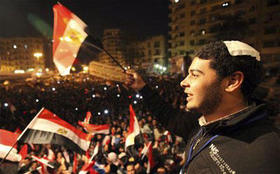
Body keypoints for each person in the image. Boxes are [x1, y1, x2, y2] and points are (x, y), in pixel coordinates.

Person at [125, 41, 280, 173]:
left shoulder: (266, 155)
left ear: (232, 81)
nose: (183, 82)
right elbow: (171, 117)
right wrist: (142, 87)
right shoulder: (203, 122)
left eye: (195, 74)